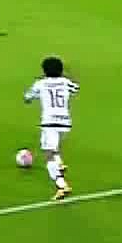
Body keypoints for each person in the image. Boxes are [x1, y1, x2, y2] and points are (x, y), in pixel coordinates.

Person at [23, 56, 79, 201]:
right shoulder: (66, 82)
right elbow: (75, 88)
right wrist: (66, 75)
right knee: (54, 148)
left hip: (49, 123)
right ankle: (59, 164)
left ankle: (61, 185)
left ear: (44, 70)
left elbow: (27, 98)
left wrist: (37, 91)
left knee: (48, 155)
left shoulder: (40, 84)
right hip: (65, 122)